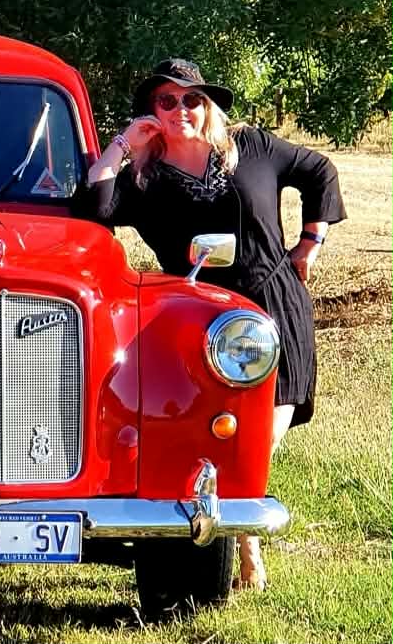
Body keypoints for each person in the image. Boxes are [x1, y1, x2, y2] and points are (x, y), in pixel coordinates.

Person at [76, 58, 347, 590]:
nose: (181, 110)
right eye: (166, 101)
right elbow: (93, 209)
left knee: (261, 436)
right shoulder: (144, 177)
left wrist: (312, 242)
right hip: (196, 316)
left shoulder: (252, 148)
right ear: (151, 111)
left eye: (192, 99)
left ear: (210, 105)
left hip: (273, 305)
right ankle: (242, 542)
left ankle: (243, 536)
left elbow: (319, 170)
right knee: (206, 431)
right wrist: (122, 145)